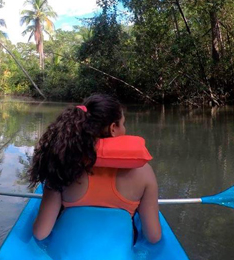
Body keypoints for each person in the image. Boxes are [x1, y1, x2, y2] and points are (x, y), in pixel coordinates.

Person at [26, 94, 162, 245]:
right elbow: (153, 236)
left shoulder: (63, 165)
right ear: (113, 128)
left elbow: (40, 233)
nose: (125, 128)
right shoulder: (144, 172)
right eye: (123, 123)